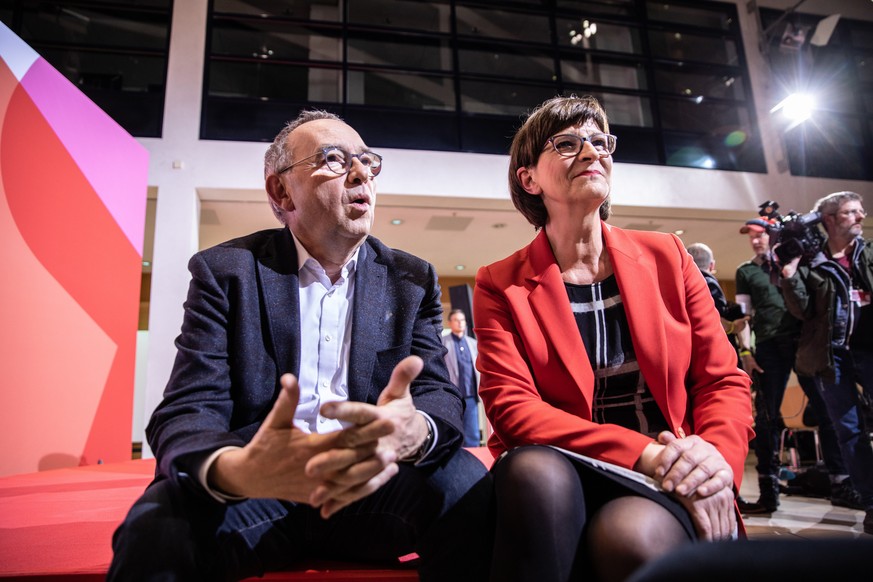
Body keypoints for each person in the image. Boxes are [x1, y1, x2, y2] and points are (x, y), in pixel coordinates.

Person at [108, 110, 491, 581]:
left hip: (371, 482)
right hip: (258, 485)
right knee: (156, 527)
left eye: (367, 162)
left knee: (468, 488)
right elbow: (188, 408)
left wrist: (412, 430)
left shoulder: (410, 279)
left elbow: (438, 395)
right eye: (334, 159)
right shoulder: (225, 272)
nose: (360, 173)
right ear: (281, 192)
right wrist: (235, 471)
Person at [473, 95, 754, 582]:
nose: (591, 152)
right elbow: (513, 409)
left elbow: (722, 380)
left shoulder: (669, 255)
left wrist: (713, 463)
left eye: (601, 142)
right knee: (532, 471)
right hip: (572, 467)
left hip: (669, 471)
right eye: (567, 143)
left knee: (630, 536)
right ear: (529, 179)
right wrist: (644, 452)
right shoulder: (500, 282)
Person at [735, 218, 856, 513]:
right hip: (767, 347)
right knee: (766, 418)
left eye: (760, 235)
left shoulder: (797, 263)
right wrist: (746, 352)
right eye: (750, 236)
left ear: (771, 235)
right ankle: (769, 493)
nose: (755, 241)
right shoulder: (746, 271)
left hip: (804, 343)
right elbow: (742, 317)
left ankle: (841, 484)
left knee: (826, 412)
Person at [779, 191, 873, 535]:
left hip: (869, 350)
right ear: (829, 220)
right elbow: (802, 310)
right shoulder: (810, 262)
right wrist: (789, 274)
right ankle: (871, 503)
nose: (861, 217)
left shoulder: (869, 252)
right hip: (830, 357)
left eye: (861, 212)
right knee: (849, 432)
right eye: (851, 213)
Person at [685, 242, 748, 354]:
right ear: (711, 265)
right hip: (711, 350)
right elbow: (712, 318)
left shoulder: (682, 285)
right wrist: (733, 327)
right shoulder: (708, 283)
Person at [441, 308, 482, 447]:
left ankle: (473, 464)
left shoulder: (473, 343)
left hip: (470, 396)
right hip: (452, 397)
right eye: (456, 320)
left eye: (462, 320)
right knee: (452, 434)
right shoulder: (443, 343)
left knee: (473, 435)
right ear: (450, 322)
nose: (460, 323)